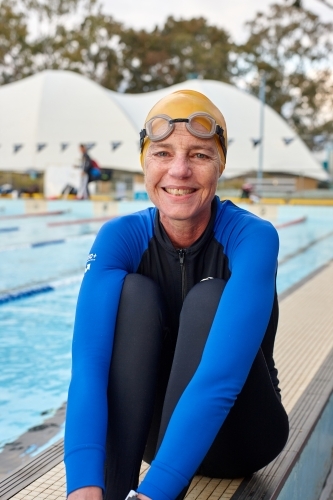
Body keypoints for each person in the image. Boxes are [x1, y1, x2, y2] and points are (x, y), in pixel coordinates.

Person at [65, 90, 289, 500]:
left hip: (241, 435)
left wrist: (158, 492)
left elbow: (220, 379)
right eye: (163, 153)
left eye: (200, 155)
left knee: (208, 300)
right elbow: (88, 369)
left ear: (221, 164)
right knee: (131, 294)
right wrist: (82, 486)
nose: (179, 170)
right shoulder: (119, 237)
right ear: (145, 163)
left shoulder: (252, 237)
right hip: (154, 440)